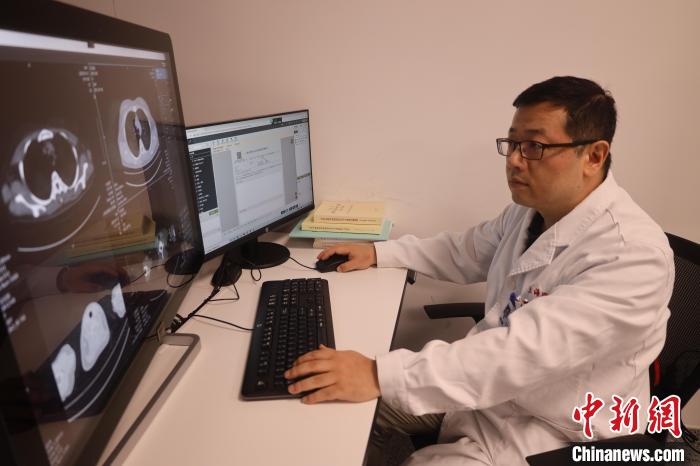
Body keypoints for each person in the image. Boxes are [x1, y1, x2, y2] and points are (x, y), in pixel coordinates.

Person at [284, 76, 674, 465]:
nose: (515, 160)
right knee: (320, 396)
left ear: (594, 156)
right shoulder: (530, 212)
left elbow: (520, 354)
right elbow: (465, 251)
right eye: (512, 143)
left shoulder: (633, 256)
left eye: (534, 146)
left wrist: (375, 375)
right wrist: (379, 252)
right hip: (488, 395)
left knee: (373, 393)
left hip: (555, 435)